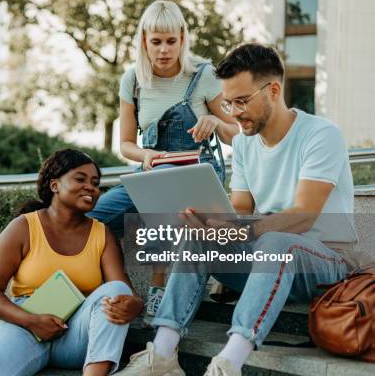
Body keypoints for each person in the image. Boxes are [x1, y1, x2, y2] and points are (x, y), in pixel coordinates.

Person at [116, 43, 356, 376]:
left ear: (273, 90)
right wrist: (210, 220)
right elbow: (242, 207)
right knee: (197, 235)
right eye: (228, 103)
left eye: (241, 101)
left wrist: (244, 230)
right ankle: (163, 354)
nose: (233, 113)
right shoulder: (244, 142)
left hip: (324, 263)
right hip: (264, 257)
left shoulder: (320, 134)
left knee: (275, 242)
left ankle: (228, 363)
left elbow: (305, 215)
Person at [88, 0, 239, 326]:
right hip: (150, 171)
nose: (164, 49)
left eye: (171, 41)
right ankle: (120, 289)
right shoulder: (133, 80)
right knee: (90, 220)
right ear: (144, 40)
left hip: (198, 173)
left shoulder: (203, 75)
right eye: (156, 41)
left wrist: (215, 123)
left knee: (164, 183)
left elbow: (236, 133)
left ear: (183, 38)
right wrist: (146, 156)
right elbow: (127, 144)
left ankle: (158, 286)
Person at [0, 149, 145, 376]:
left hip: (77, 335)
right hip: (24, 327)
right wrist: (32, 321)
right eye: (80, 179)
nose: (91, 187)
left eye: (95, 182)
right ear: (55, 185)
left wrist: (135, 306)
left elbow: (124, 291)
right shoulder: (23, 227)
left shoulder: (103, 234)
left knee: (115, 290)